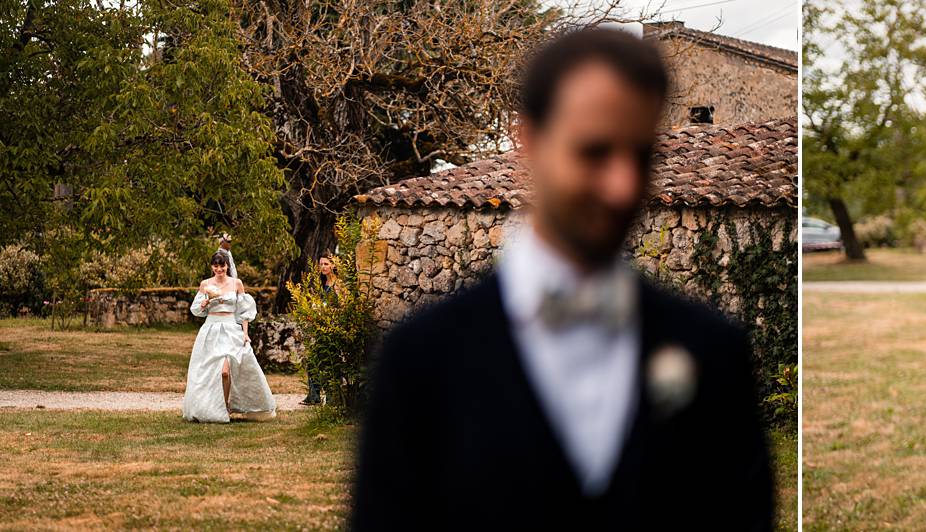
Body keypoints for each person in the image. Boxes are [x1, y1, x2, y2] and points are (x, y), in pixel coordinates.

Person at [351, 28, 773, 530]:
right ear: (527, 139)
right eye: (594, 152)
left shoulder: (713, 352)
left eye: (640, 155)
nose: (623, 187)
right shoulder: (421, 359)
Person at [183, 251, 276, 423]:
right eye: (216, 266)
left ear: (227, 266)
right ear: (212, 267)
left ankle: (226, 404)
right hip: (211, 329)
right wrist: (204, 304)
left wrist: (245, 334)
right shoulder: (205, 284)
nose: (219, 269)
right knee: (209, 372)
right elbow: (197, 310)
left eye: (222, 265)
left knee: (226, 371)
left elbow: (244, 312)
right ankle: (216, 407)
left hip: (231, 329)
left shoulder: (236, 283)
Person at [299, 254, 337, 406]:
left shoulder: (338, 284)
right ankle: (314, 396)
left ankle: (332, 398)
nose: (323, 267)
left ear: (333, 265)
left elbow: (343, 306)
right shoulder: (321, 284)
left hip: (333, 327)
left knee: (329, 362)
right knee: (314, 360)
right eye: (321, 264)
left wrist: (328, 313)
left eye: (326, 264)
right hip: (320, 327)